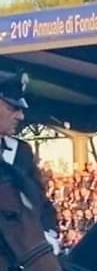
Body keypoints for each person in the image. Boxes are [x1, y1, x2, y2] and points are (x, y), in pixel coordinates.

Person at [0, 70, 61, 253]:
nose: (20, 116)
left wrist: (48, 233)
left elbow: (39, 201)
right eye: (12, 108)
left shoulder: (21, 151)